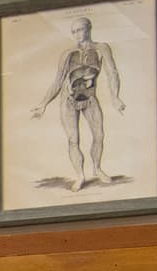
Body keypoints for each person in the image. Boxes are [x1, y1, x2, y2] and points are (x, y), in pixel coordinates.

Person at [25, 14, 123, 188]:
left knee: (99, 135)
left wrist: (115, 97)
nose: (77, 34)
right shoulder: (67, 54)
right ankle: (80, 175)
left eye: (80, 30)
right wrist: (43, 104)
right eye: (74, 32)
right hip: (68, 100)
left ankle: (97, 168)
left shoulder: (101, 48)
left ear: (89, 29)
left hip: (89, 97)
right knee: (73, 139)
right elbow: (58, 80)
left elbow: (112, 73)